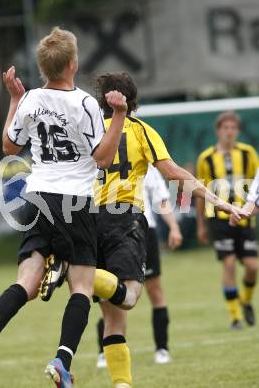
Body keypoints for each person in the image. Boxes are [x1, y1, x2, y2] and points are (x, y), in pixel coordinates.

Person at [42, 73, 248, 388]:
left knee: (113, 317)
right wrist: (218, 201)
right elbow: (173, 173)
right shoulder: (140, 130)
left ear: (102, 99)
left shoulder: (88, 129)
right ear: (131, 100)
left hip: (86, 219)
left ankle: (122, 384)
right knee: (130, 296)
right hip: (123, 217)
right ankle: (69, 267)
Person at [0, 27, 128, 388]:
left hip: (36, 194)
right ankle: (62, 361)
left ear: (43, 67)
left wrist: (15, 98)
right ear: (73, 64)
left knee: (27, 280)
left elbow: (10, 146)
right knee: (82, 288)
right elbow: (102, 159)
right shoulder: (85, 103)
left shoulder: (30, 100)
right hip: (73, 199)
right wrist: (118, 115)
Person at [96, 164, 182, 368]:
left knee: (154, 289)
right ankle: (104, 351)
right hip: (106, 228)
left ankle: (162, 348)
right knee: (107, 296)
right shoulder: (98, 158)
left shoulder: (146, 163)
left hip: (142, 229)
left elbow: (161, 198)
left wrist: (174, 226)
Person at [196, 111, 258, 329]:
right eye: (225, 127)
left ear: (238, 131)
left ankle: (246, 301)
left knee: (253, 266)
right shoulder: (206, 158)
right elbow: (201, 192)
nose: (229, 131)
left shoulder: (249, 154)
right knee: (229, 264)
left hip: (245, 217)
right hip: (219, 219)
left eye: (233, 127)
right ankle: (235, 317)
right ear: (218, 130)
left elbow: (256, 187)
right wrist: (201, 225)